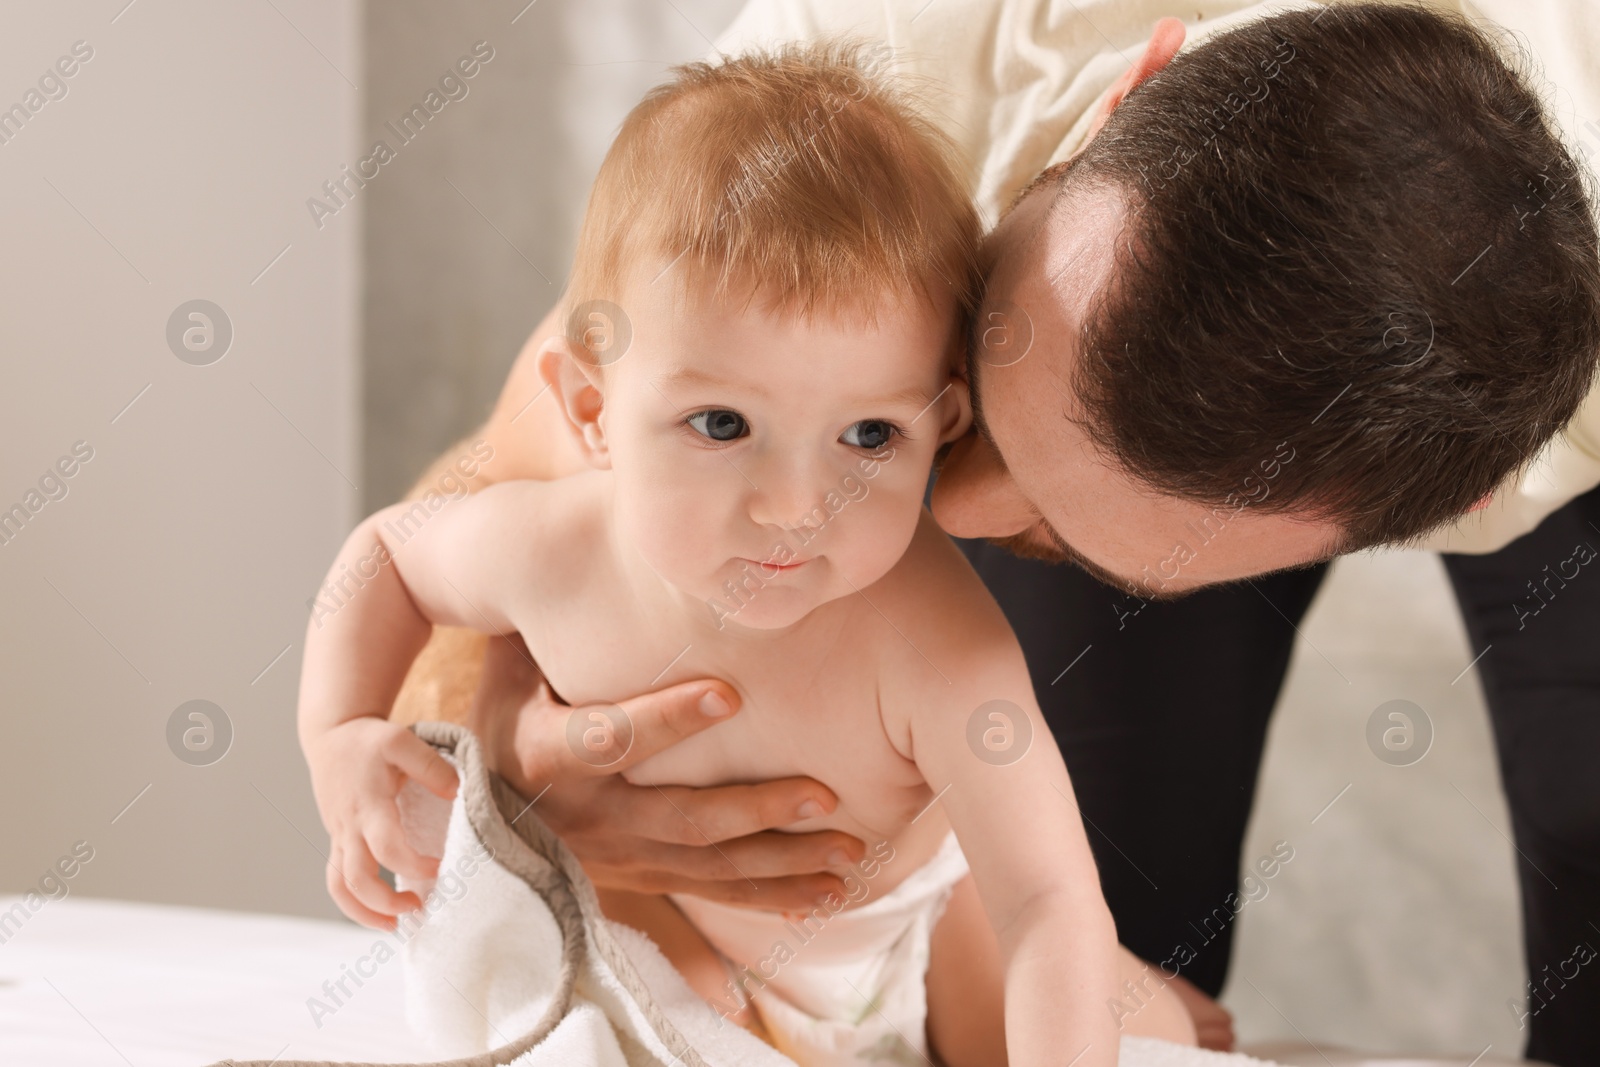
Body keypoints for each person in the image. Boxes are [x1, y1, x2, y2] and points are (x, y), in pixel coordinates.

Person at [388, 1, 1600, 1061]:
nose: (951, 515)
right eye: (977, 410)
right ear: (1125, 88)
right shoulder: (873, 61)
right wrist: (505, 756)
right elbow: (499, 495)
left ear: (1459, 504)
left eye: (1065, 538)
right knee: (1110, 916)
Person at [302, 45, 1202, 1066]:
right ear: (593, 410)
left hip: (908, 919)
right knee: (635, 1014)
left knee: (1090, 1022)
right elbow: (386, 553)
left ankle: (1136, 991)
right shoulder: (553, 547)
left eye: (869, 437)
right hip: (680, 924)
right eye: (722, 422)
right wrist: (338, 733)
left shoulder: (936, 646)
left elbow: (1045, 897)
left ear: (942, 423)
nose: (794, 509)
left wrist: (1070, 980)